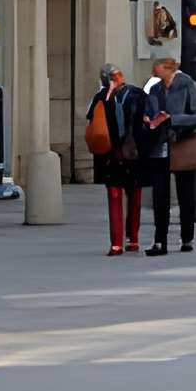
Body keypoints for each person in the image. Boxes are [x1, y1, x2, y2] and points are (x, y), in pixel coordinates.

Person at [138, 55, 196, 256]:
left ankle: (187, 238)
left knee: (185, 193)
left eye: (157, 69)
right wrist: (148, 118)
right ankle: (160, 241)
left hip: (182, 144)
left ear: (168, 68)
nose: (154, 73)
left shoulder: (187, 84)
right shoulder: (156, 89)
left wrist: (172, 119)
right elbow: (150, 110)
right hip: (161, 145)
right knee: (160, 195)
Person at [87, 65, 144, 257]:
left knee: (118, 197)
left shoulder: (101, 98)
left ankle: (120, 243)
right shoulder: (135, 94)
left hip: (114, 155)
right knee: (130, 196)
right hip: (129, 154)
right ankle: (129, 240)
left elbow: (92, 126)